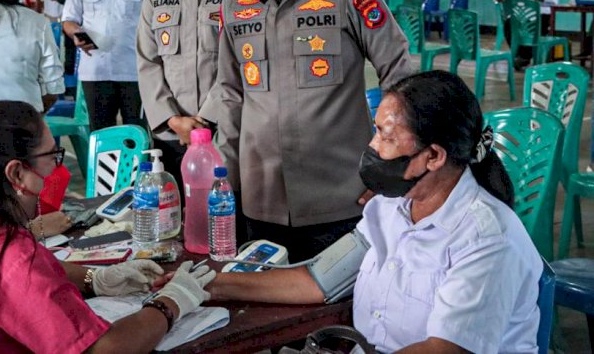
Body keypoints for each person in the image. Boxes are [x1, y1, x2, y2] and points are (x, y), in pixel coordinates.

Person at [210, 70, 542, 353]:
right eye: (376, 130)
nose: (373, 146)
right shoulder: (391, 204)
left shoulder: (487, 240)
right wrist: (211, 285)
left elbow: (443, 349)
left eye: (385, 135)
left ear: (434, 156)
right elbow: (319, 280)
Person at [202, 0, 412, 261]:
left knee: (339, 313)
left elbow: (398, 71)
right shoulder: (234, 5)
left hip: (340, 197)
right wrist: (227, 183)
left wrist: (390, 169)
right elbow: (230, 95)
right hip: (260, 200)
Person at [0, 101, 215, 352]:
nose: (58, 168)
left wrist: (96, 278)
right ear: (17, 174)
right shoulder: (11, 258)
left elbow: (26, 282)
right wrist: (170, 303)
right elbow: (103, 350)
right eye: (52, 156)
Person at [137, 0, 233, 189]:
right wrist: (172, 120)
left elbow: (241, 62)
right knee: (174, 217)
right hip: (172, 135)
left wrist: (205, 120)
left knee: (224, 217)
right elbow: (147, 61)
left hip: (225, 132)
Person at [62, 0, 155, 132]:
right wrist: (76, 34)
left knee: (137, 132)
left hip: (134, 70)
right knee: (101, 134)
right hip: (96, 72)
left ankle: (138, 167)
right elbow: (68, 19)